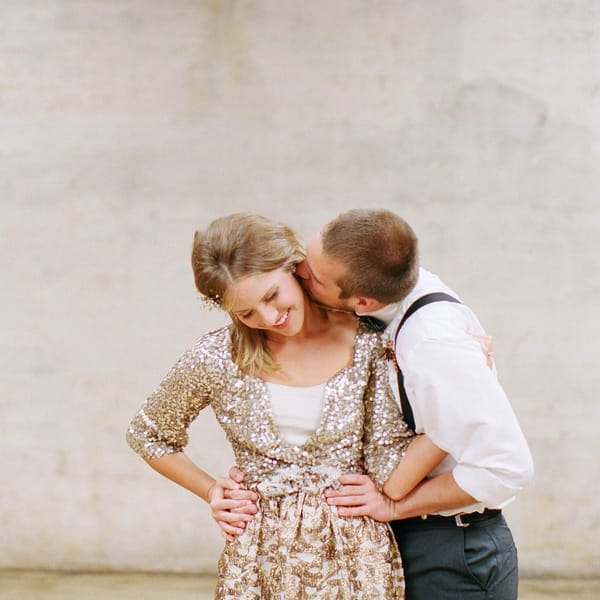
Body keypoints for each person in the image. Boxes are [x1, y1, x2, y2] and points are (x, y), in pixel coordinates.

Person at [126, 213, 449, 600]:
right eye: (246, 313)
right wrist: (213, 491)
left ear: (294, 266)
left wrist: (459, 365)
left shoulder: (369, 343)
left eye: (271, 296)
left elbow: (391, 455)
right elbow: (148, 434)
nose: (268, 318)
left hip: (355, 556)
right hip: (257, 561)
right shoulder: (216, 356)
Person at [219, 209, 534, 600]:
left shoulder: (432, 344)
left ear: (363, 301)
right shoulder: (386, 302)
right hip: (407, 544)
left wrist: (393, 505)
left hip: (453, 554)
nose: (299, 271)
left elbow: (505, 469)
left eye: (313, 276)